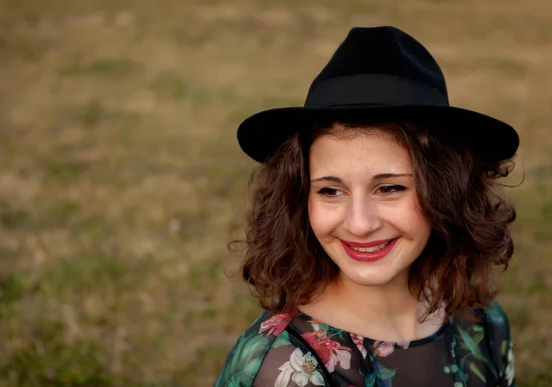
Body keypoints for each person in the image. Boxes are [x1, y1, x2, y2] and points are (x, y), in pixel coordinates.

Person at [214, 26, 518, 387]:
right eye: (330, 191)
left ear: (447, 192)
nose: (359, 224)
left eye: (389, 188)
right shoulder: (286, 368)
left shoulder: (482, 323)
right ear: (300, 199)